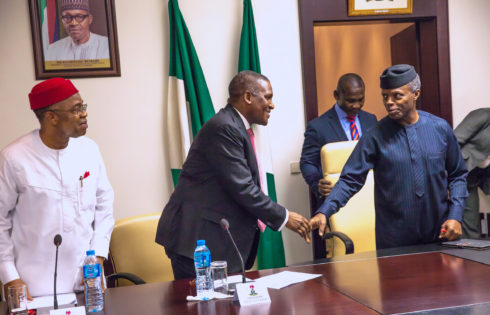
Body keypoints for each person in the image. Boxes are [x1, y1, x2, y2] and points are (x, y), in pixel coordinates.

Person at [155, 71, 311, 279]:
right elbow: (243, 187)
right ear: (248, 97)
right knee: (203, 309)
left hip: (217, 243)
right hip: (197, 243)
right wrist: (284, 217)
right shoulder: (224, 128)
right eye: (268, 97)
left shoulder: (235, 127)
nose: (272, 105)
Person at [310, 64, 468, 249]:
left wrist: (455, 215)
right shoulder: (375, 135)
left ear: (416, 94)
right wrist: (325, 211)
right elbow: (349, 180)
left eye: (397, 96)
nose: (389, 102)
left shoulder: (440, 129)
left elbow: (458, 176)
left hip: (439, 235)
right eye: (385, 96)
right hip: (394, 243)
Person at [0, 78, 114, 298]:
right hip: (33, 287)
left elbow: (104, 204)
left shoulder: (89, 150)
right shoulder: (14, 158)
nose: (84, 114)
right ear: (51, 116)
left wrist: (99, 256)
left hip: (88, 280)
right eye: (76, 109)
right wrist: (9, 276)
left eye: (83, 107)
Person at [300, 73, 377, 206]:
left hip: (369, 198)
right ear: (336, 95)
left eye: (361, 99)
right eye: (351, 100)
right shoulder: (318, 127)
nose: (356, 105)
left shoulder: (371, 120)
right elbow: (307, 163)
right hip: (336, 200)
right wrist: (317, 183)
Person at [454, 108, 490, 239]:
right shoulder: (484, 115)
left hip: (473, 179)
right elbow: (454, 141)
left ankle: (469, 258)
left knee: (471, 228)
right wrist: (447, 175)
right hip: (457, 174)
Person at [45, 0, 109, 61]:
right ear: (62, 20)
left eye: (79, 17)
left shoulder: (106, 46)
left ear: (90, 19)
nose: (73, 23)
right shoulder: (53, 49)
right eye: (67, 17)